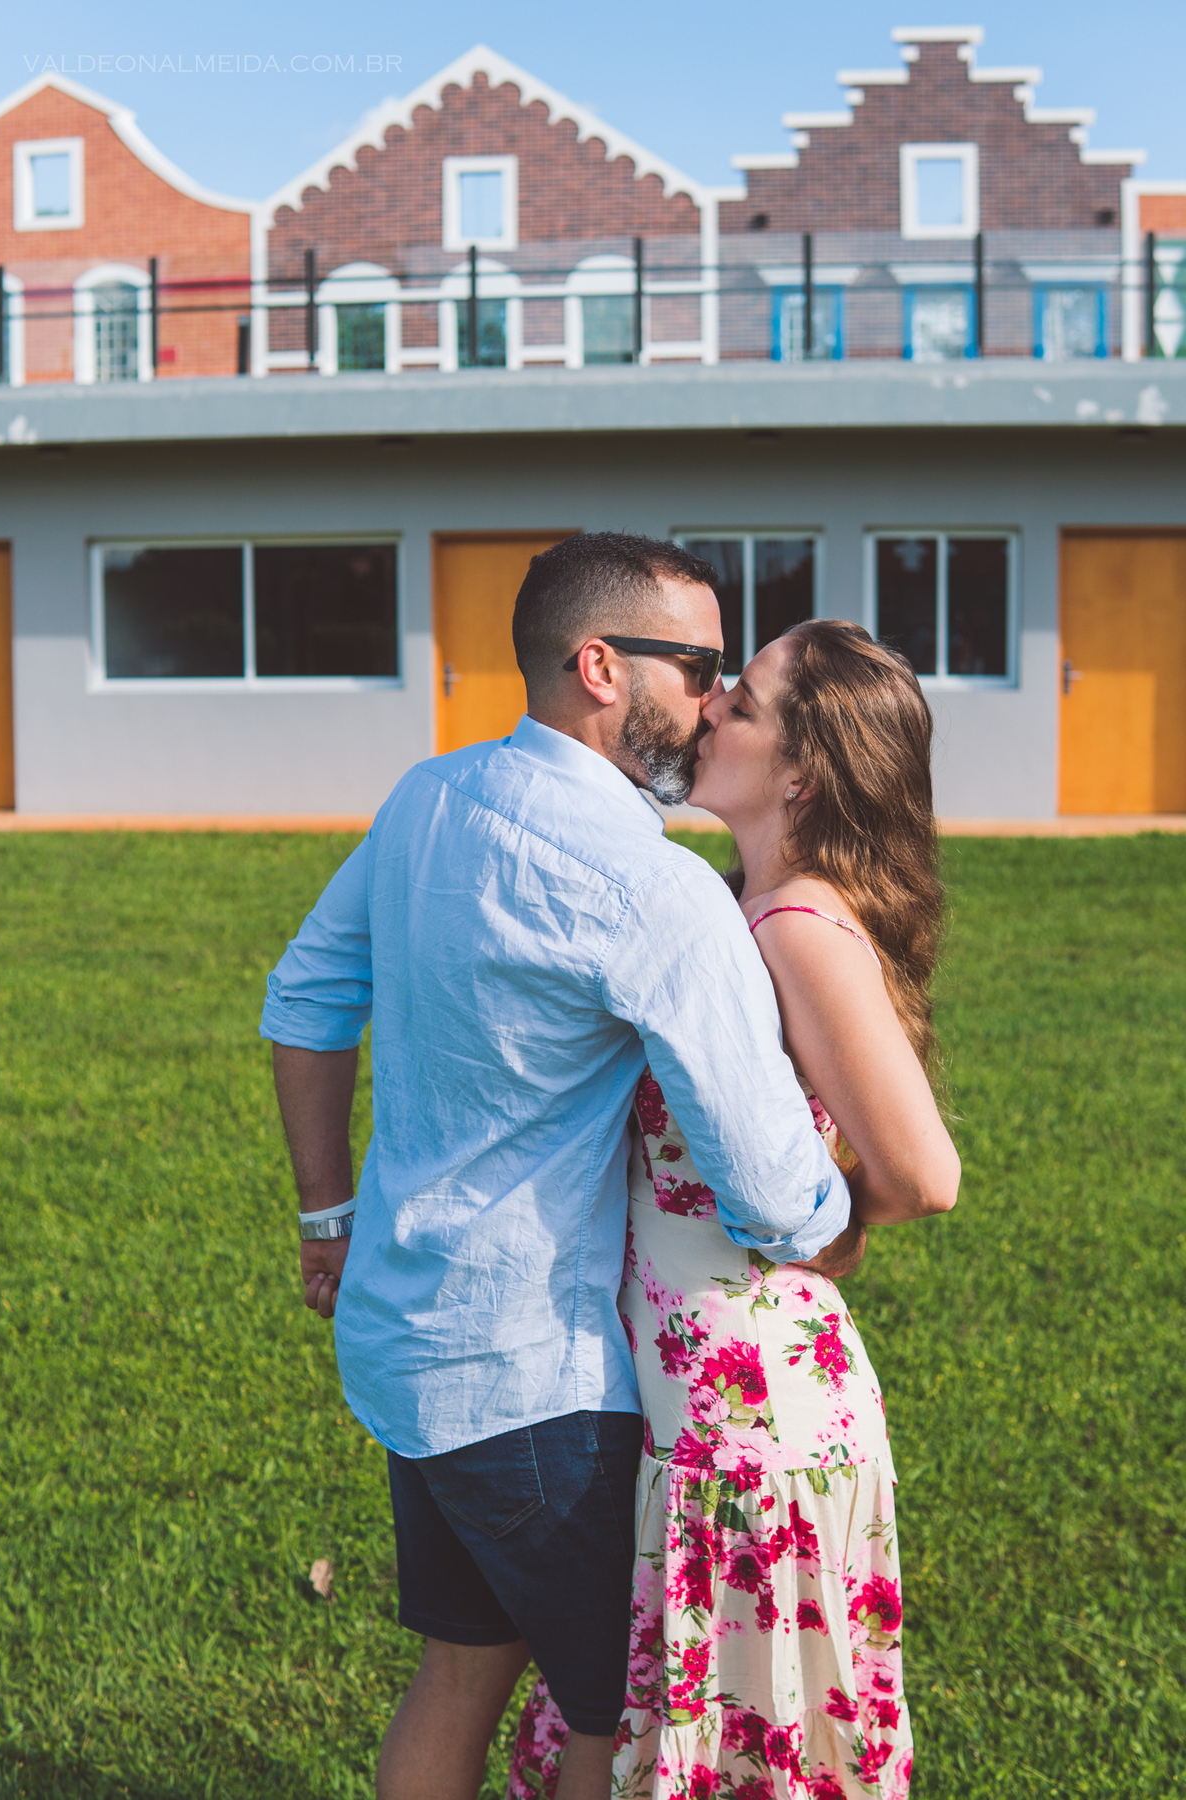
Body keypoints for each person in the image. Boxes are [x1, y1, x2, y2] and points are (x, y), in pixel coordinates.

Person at [260, 535, 861, 1800]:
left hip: (405, 1346)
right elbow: (772, 1194)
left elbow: (306, 996)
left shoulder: (430, 795)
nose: (711, 699)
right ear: (601, 666)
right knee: (612, 1717)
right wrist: (849, 1208)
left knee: (463, 1672)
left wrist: (330, 1220)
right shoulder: (657, 889)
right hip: (539, 1388)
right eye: (697, 665)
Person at [509, 620, 960, 1800]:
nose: (707, 710)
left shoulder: (800, 929)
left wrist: (838, 1227)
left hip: (750, 1427)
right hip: (682, 1408)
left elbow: (926, 1171)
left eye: (742, 703)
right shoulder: (729, 906)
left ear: (803, 768)